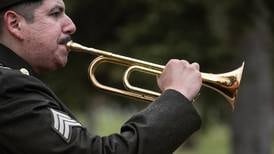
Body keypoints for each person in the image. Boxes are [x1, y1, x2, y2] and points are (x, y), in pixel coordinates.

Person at [0, 0, 202, 153]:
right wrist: (176, 96)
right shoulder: (9, 87)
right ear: (15, 24)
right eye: (55, 13)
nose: (71, 26)